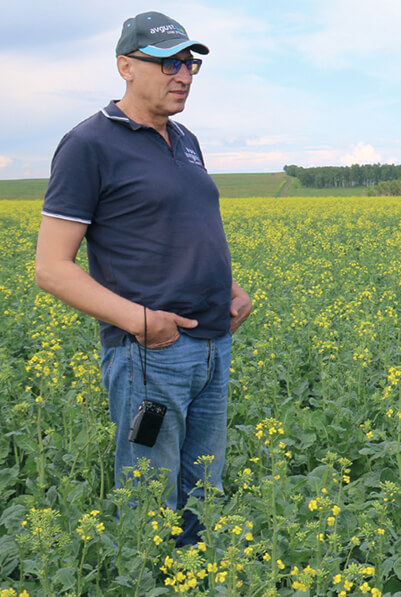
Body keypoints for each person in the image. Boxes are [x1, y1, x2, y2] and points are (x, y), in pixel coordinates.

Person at [34, 11, 251, 546]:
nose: (183, 75)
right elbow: (51, 267)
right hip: (151, 354)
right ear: (125, 67)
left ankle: (197, 574)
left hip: (212, 347)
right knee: (150, 494)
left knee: (205, 487)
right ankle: (147, 577)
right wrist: (142, 321)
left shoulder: (187, 139)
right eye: (168, 63)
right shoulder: (89, 144)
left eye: (190, 64)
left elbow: (182, 226)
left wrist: (227, 288)